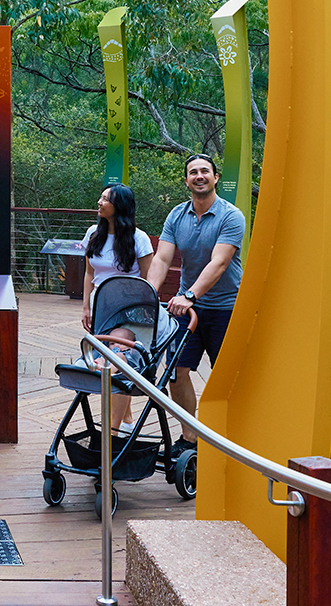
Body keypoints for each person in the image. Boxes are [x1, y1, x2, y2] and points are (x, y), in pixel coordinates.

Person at [144, 153, 245, 458]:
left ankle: (230, 437)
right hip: (187, 311)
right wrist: (148, 294)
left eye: (205, 171)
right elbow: (162, 258)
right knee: (177, 371)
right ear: (186, 180)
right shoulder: (177, 215)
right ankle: (190, 438)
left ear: (215, 178)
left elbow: (220, 262)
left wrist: (190, 295)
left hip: (224, 307)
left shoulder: (231, 216)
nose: (199, 176)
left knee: (226, 375)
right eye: (193, 172)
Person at [80, 184, 154, 432]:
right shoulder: (93, 232)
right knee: (107, 357)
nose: (99, 203)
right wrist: (85, 307)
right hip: (101, 305)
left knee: (118, 360)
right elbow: (90, 272)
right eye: (100, 197)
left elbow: (148, 279)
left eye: (105, 199)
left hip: (129, 309)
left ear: (119, 207)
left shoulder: (138, 238)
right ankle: (127, 419)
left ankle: (111, 432)